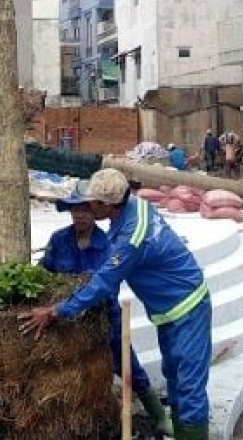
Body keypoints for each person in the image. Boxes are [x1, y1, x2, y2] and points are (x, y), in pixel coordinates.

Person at [20, 169, 212, 440]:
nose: (86, 209)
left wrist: (55, 311)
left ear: (106, 206)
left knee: (189, 387)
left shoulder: (131, 240)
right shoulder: (134, 206)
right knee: (176, 380)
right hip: (169, 311)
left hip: (188, 307)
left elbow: (103, 284)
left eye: (92, 204)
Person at [39, 180, 172, 436]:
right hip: (65, 318)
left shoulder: (110, 243)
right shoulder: (58, 241)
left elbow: (107, 285)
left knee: (126, 362)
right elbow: (44, 273)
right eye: (75, 210)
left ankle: (156, 412)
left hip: (103, 316)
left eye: (85, 210)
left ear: (94, 210)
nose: (80, 215)